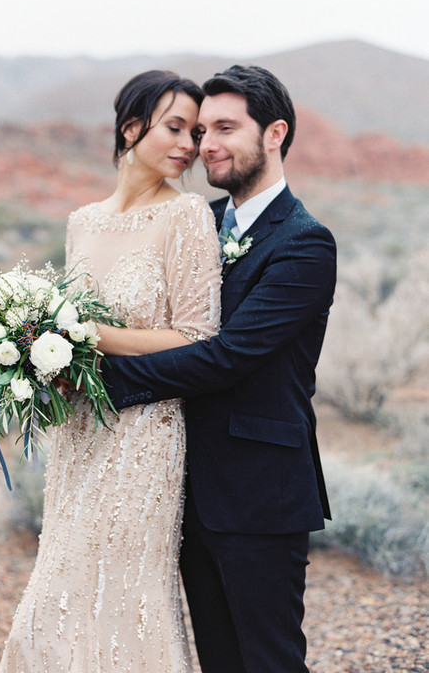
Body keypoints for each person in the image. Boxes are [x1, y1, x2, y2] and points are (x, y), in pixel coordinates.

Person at [101, 65, 337, 673]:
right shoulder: (195, 221)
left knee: (270, 660)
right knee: (218, 660)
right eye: (202, 129)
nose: (207, 145)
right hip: (185, 486)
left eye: (226, 128)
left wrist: (106, 382)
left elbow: (229, 356)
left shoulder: (305, 244)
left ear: (275, 133)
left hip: (261, 491)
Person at [0, 70, 222, 672]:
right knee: (59, 585)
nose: (188, 145)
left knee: (125, 591)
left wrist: (86, 336)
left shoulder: (188, 216)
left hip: (145, 435)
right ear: (131, 127)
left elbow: (197, 336)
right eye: (175, 127)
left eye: (195, 133)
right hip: (78, 430)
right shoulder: (83, 222)